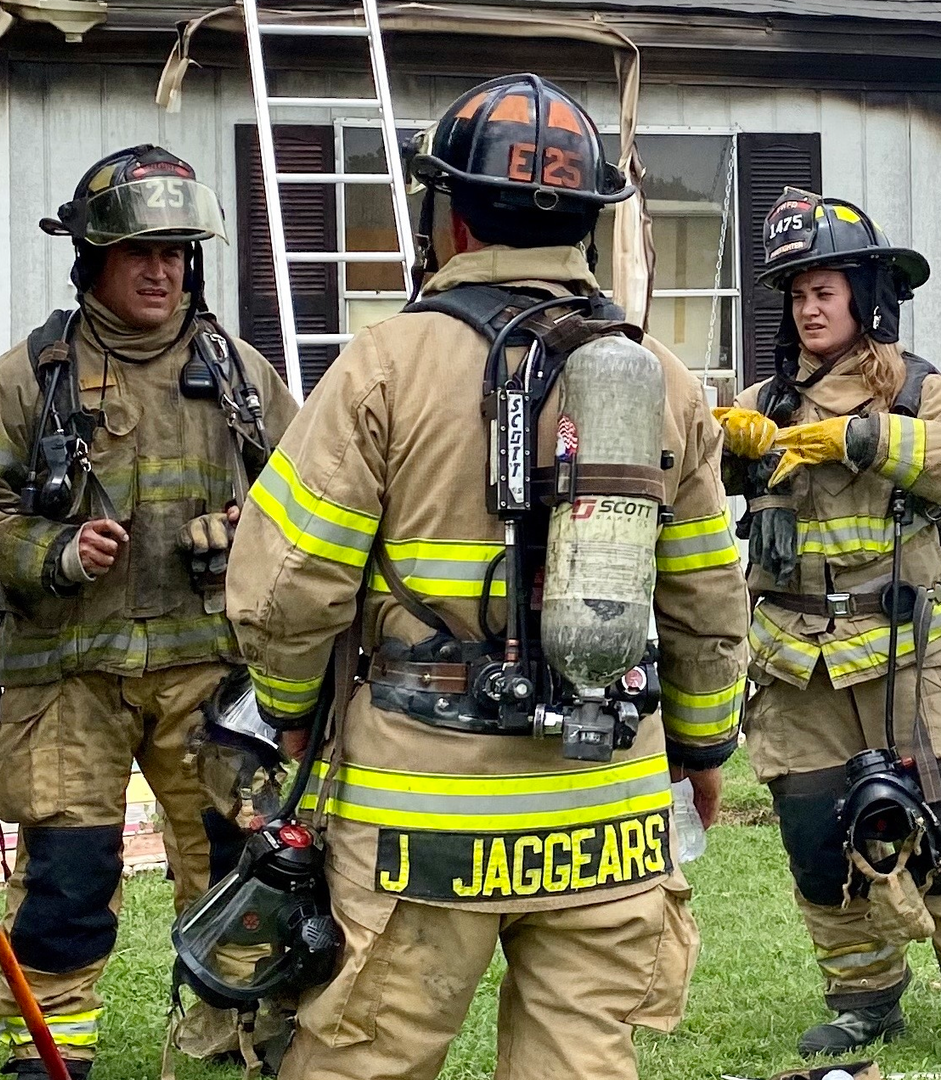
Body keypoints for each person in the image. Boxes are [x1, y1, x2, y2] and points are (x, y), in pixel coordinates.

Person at [223, 74, 751, 1080]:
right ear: (590, 221)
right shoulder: (664, 380)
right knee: (580, 1061)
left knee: (365, 1058)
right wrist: (702, 745)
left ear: (451, 217)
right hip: (608, 810)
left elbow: (285, 585)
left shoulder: (384, 366)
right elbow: (709, 602)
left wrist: (289, 711)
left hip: (424, 817)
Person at [719, 188, 941, 1066]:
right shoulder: (763, 402)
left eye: (824, 290)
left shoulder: (916, 389)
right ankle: (863, 1001)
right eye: (796, 294)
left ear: (866, 295)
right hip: (797, 667)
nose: (808, 308)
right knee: (817, 837)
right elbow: (688, 478)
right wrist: (721, 442)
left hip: (914, 654)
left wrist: (865, 441)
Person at [0, 144, 298, 1077]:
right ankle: (48, 1051)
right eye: (141, 253)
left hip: (208, 675)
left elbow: (306, 496)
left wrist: (249, 525)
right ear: (94, 260)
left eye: (177, 253)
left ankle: (237, 1033)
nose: (163, 272)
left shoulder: (239, 374)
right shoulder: (27, 379)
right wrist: (59, 553)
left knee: (236, 860)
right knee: (67, 875)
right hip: (71, 677)